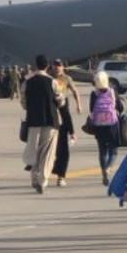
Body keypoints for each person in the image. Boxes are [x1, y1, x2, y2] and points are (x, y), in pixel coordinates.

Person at [21, 55, 61, 194]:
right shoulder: (52, 82)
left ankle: (34, 177)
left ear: (35, 65)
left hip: (33, 121)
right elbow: (59, 99)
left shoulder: (28, 81)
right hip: (50, 120)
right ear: (47, 66)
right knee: (47, 152)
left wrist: (31, 107)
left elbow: (23, 102)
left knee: (34, 150)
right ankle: (43, 180)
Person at [88, 71, 124, 186]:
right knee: (113, 150)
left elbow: (91, 109)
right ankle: (108, 167)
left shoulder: (94, 93)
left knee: (102, 150)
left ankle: (103, 170)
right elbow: (120, 107)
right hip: (112, 124)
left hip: (99, 125)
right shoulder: (112, 91)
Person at [51, 59, 81, 187]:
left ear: (63, 67)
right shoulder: (48, 78)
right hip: (51, 111)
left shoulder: (67, 78)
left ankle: (61, 176)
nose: (57, 68)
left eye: (59, 66)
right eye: (55, 66)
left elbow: (75, 91)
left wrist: (78, 105)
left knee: (63, 148)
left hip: (63, 109)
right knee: (50, 148)